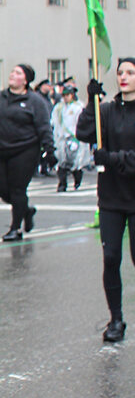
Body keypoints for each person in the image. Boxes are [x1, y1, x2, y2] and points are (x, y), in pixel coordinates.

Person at [77, 60, 135, 342]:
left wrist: (111, 159)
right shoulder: (107, 110)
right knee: (111, 258)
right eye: (121, 72)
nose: (123, 77)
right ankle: (116, 319)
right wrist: (91, 102)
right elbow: (84, 133)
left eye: (130, 73)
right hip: (111, 197)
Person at [0, 64, 56, 242]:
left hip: (25, 150)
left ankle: (15, 228)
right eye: (12, 71)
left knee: (18, 189)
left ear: (25, 80)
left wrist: (49, 150)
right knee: (2, 190)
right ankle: (26, 210)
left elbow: (44, 127)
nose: (12, 74)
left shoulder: (35, 101)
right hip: (2, 150)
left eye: (17, 73)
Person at [51, 85, 87, 191]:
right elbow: (54, 122)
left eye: (68, 95)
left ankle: (77, 180)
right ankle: (62, 184)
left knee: (75, 162)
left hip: (74, 138)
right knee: (61, 161)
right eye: (64, 95)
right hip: (61, 138)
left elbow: (81, 123)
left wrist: (79, 137)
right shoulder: (58, 107)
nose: (66, 97)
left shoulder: (78, 107)